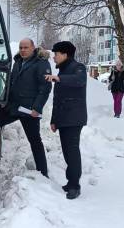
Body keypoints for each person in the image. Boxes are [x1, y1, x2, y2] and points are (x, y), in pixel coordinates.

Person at [0, 38, 52, 177]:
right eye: (21, 47)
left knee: (35, 141)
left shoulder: (41, 64)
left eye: (26, 47)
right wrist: (3, 100)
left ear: (33, 48)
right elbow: (11, 83)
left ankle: (43, 173)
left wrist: (37, 108)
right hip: (13, 107)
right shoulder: (18, 62)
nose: (23, 50)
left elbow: (45, 88)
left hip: (29, 110)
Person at [45, 41, 87, 200]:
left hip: (74, 118)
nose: (54, 57)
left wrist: (59, 79)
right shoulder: (62, 71)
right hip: (63, 119)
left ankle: (75, 186)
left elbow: (80, 80)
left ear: (65, 54)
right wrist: (53, 120)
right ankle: (71, 181)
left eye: (56, 54)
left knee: (72, 152)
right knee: (67, 152)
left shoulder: (78, 67)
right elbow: (57, 99)